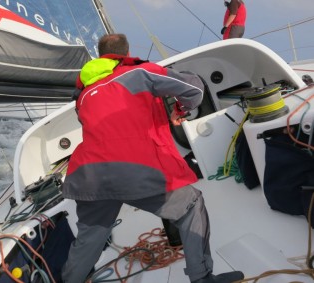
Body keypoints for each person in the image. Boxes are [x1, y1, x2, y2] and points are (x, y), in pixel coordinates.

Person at [60, 33, 244, 283]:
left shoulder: (83, 96)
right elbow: (194, 87)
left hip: (89, 175)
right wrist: (180, 110)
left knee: (89, 238)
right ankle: (202, 277)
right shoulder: (137, 73)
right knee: (191, 205)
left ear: (100, 55)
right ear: (124, 54)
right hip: (133, 169)